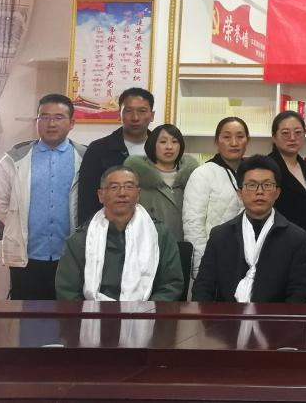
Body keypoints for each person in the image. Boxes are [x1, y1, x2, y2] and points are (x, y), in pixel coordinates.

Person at [0, 94, 86, 300]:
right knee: (27, 314)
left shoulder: (85, 158)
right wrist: (18, 223)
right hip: (27, 256)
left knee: (67, 314)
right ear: (37, 121)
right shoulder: (15, 158)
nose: (51, 123)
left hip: (70, 257)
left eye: (59, 117)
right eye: (44, 117)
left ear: (72, 123)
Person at [192, 155, 306, 303]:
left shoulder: (295, 238)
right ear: (239, 193)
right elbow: (203, 288)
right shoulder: (220, 236)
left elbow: (299, 293)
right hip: (227, 316)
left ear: (277, 193)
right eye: (252, 185)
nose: (259, 191)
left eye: (267, 185)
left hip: (275, 317)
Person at [55, 166, 183, 301]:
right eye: (114, 187)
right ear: (101, 195)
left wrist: (146, 311)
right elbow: (67, 291)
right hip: (92, 312)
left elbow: (171, 285)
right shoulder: (82, 238)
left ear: (138, 194)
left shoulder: (159, 235)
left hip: (147, 311)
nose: (122, 193)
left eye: (129, 187)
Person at [77, 87, 155, 225]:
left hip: (155, 227)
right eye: (128, 111)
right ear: (119, 114)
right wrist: (89, 231)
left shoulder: (162, 149)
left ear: (152, 115)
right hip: (110, 228)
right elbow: (87, 198)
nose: (135, 118)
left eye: (142, 111)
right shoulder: (98, 149)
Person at [182, 117, 249, 278]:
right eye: (226, 137)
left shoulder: (253, 173)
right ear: (216, 141)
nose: (234, 142)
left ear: (248, 141)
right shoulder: (203, 174)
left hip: (249, 259)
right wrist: (201, 268)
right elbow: (193, 224)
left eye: (240, 136)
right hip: (215, 260)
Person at [123, 124, 199, 242]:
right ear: (152, 145)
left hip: (184, 244)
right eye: (163, 142)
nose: (169, 147)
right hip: (147, 243)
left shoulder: (193, 177)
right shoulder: (136, 177)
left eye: (175, 142)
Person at [268, 111, 306, 239]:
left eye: (298, 132)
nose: (292, 138)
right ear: (274, 137)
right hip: (278, 238)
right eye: (285, 133)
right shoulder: (266, 168)